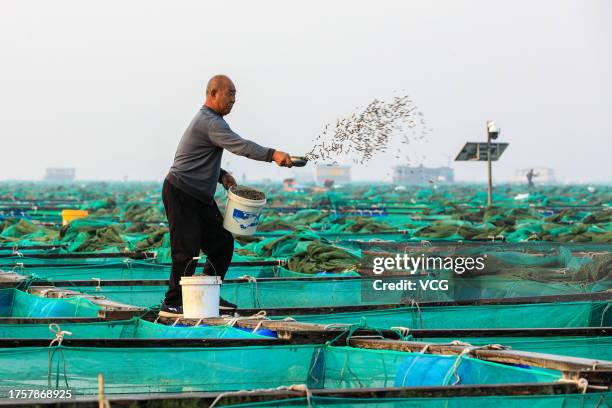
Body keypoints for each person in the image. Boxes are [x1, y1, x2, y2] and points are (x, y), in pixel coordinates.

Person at [159, 75, 293, 317]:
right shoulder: (209, 121)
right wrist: (273, 154)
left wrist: (220, 175)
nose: (233, 100)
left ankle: (207, 293)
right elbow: (240, 146)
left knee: (221, 244)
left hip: (200, 196)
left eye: (235, 95)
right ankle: (172, 303)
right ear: (213, 94)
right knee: (186, 251)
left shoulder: (213, 122)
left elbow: (197, 156)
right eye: (229, 94)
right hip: (182, 192)